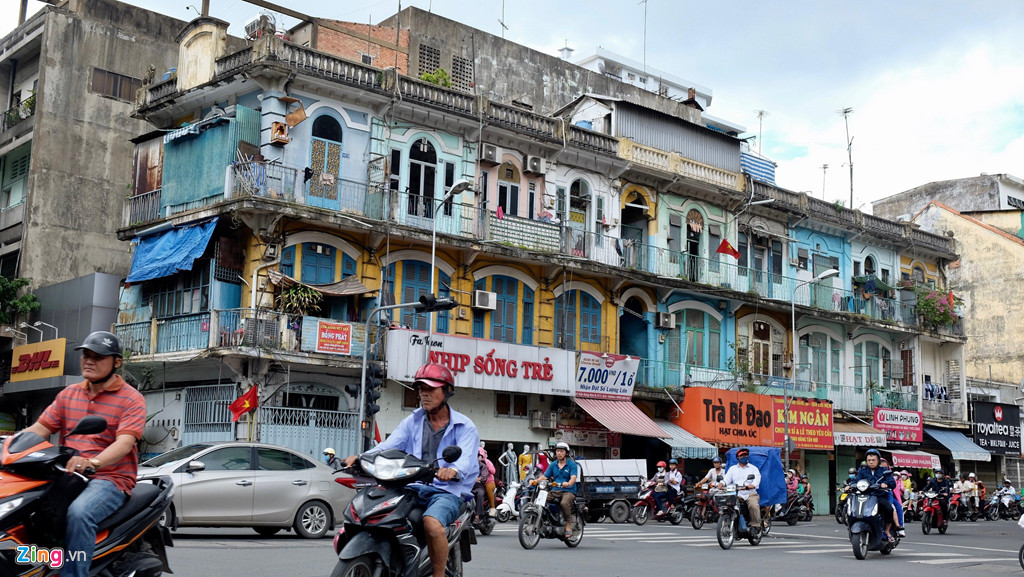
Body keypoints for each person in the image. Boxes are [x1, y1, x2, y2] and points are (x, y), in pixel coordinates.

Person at [23, 331, 146, 577]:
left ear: (116, 362)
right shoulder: (69, 394)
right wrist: (7, 445)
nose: (89, 361)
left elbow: (124, 443)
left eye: (98, 357)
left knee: (79, 513)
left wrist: (92, 462)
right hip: (67, 474)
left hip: (109, 479)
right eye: (86, 355)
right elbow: (39, 430)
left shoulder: (131, 399)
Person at [343, 363, 478, 577]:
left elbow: (467, 460)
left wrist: (451, 470)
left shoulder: (465, 426)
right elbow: (389, 446)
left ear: (447, 391)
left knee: (432, 524)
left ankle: (438, 574)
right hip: (413, 485)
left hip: (447, 491)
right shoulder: (413, 420)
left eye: (430, 389)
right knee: (381, 512)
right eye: (421, 389)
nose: (424, 394)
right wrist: (361, 458)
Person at [533, 441, 579, 538]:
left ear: (566, 453)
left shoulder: (572, 465)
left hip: (568, 491)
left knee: (564, 503)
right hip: (555, 490)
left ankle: (568, 525)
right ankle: (545, 520)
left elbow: (573, 478)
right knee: (539, 500)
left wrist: (568, 483)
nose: (559, 453)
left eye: (561, 451)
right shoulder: (553, 464)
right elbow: (545, 476)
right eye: (557, 451)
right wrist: (535, 480)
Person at [855, 449, 896, 541]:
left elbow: (892, 483)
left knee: (889, 509)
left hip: (879, 497)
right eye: (869, 460)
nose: (871, 462)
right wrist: (849, 486)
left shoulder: (884, 471)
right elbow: (856, 481)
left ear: (878, 461)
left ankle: (887, 531)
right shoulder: (862, 471)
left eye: (873, 460)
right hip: (865, 497)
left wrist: (886, 484)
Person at [720, 448, 762, 532]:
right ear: (738, 458)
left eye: (746, 455)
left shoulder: (753, 468)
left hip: (750, 493)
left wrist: (752, 485)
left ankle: (755, 525)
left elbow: (757, 479)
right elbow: (726, 479)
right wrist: (721, 484)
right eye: (742, 455)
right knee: (727, 504)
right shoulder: (733, 469)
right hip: (737, 493)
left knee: (753, 506)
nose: (744, 457)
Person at [480, 448, 497, 516]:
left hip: (488, 481)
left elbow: (493, 471)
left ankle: (492, 508)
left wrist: (486, 466)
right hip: (478, 482)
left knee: (488, 488)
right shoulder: (474, 461)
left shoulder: (488, 462)